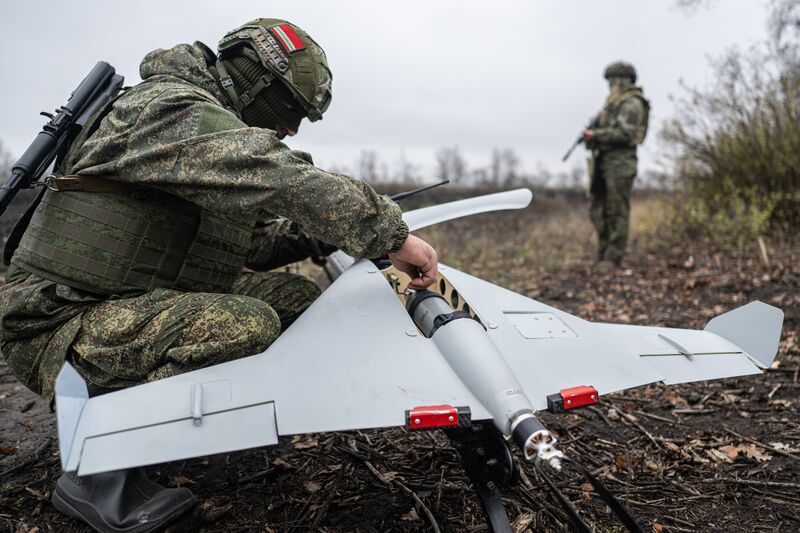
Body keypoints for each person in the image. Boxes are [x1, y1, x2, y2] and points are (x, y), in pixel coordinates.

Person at [0, 18, 438, 532]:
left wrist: (322, 234)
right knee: (244, 324)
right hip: (56, 318)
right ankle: (95, 468)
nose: (291, 128)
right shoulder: (165, 109)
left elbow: (248, 244)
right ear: (254, 81)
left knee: (297, 299)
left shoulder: (200, 142)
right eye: (290, 110)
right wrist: (389, 234)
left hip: (123, 297)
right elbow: (272, 171)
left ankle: (168, 428)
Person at [582, 61, 650, 269]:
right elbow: (606, 131)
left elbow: (626, 134)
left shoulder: (633, 103)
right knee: (597, 207)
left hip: (620, 164)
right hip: (603, 161)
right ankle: (603, 251)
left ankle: (613, 257)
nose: (611, 85)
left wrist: (597, 134)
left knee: (616, 210)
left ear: (622, 81)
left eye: (613, 81)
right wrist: (592, 135)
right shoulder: (611, 105)